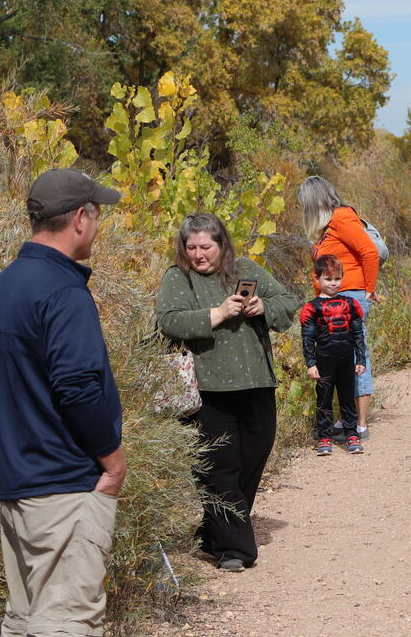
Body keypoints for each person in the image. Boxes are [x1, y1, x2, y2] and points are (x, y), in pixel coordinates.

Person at [0, 168, 126, 636]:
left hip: (16, 484)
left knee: (25, 622)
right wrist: (114, 463)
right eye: (97, 213)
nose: (97, 224)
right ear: (80, 218)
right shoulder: (64, 292)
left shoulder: (4, 285)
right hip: (64, 485)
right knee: (66, 623)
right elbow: (78, 388)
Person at [156, 213, 299, 572]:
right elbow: (170, 320)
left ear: (222, 245)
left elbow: (288, 303)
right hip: (207, 391)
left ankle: (214, 531)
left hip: (257, 385)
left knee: (253, 456)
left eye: (206, 247)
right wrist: (217, 314)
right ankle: (236, 549)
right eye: (191, 247)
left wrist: (263, 307)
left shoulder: (246, 269)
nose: (198, 254)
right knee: (220, 468)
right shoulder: (179, 278)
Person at [298, 176, 379, 440]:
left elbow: (369, 252)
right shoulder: (328, 226)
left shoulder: (341, 217)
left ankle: (359, 425)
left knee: (355, 357)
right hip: (331, 301)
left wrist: (368, 291)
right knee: (339, 359)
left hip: (349, 297)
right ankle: (347, 418)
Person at [301, 254, 367, 456]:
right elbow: (307, 339)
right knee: (324, 400)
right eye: (328, 279)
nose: (333, 283)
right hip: (323, 361)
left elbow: (358, 334)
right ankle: (324, 437)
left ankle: (352, 435)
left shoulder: (350, 304)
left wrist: (361, 358)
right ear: (317, 278)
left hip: (346, 359)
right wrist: (311, 363)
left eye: (337, 279)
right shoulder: (311, 308)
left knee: (347, 398)